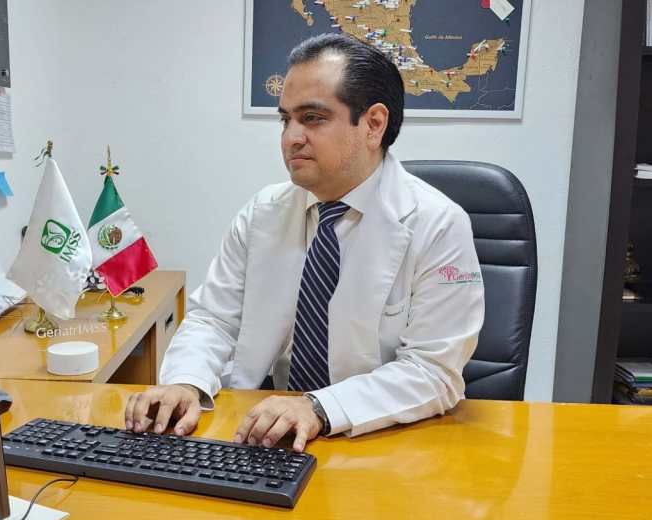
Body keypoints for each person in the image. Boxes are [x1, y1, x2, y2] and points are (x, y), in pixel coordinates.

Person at [123, 33, 484, 452]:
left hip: (377, 438)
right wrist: (186, 382)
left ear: (373, 124)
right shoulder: (263, 212)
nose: (291, 138)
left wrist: (318, 407)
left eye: (312, 118)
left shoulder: (438, 224)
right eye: (285, 120)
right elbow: (214, 319)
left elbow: (432, 371)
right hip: (268, 433)